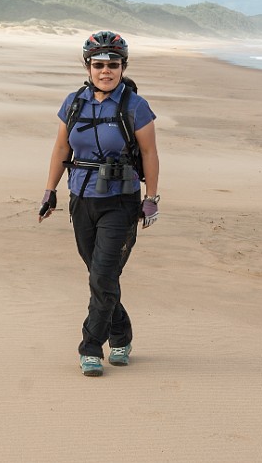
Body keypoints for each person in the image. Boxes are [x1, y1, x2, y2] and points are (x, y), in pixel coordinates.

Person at [38, 31, 160, 377]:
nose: (106, 71)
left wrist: (151, 198)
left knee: (104, 273)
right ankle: (121, 334)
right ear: (88, 66)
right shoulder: (74, 102)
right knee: (98, 276)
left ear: (123, 67)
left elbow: (149, 153)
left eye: (113, 65)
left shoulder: (135, 106)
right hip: (81, 200)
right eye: (99, 65)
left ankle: (91, 346)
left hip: (120, 202)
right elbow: (62, 149)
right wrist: (50, 191)